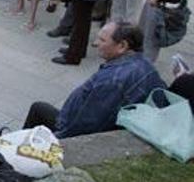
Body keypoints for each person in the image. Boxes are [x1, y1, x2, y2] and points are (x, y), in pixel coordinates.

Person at [24, 22, 165, 138]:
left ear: (122, 46)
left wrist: (58, 138)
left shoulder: (112, 80)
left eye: (102, 40)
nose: (96, 43)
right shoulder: (146, 65)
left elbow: (86, 125)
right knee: (40, 108)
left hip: (75, 130)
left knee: (38, 109)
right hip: (108, 126)